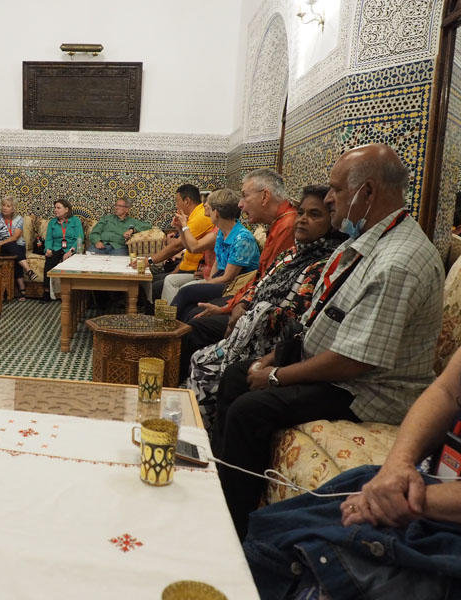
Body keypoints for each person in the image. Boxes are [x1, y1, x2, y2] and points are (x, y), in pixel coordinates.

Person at [212, 144, 444, 539]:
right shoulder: (368, 243)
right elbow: (320, 320)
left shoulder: (399, 261)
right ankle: (220, 492)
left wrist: (275, 377)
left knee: (250, 409)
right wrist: (271, 358)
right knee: (236, 375)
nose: (331, 198)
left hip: (365, 390)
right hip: (337, 366)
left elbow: (354, 362)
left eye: (337, 189)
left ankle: (233, 531)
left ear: (367, 193)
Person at [243, 346, 461, 599]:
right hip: (428, 486)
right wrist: (396, 466)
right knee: (276, 528)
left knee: (320, 557)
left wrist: (405, 500)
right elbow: (446, 390)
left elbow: (352, 360)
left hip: (442, 523)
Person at [187, 186, 344, 431]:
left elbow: (298, 317)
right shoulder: (291, 255)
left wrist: (245, 314)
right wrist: (240, 304)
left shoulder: (326, 265)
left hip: (271, 340)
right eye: (301, 212)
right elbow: (260, 281)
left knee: (196, 323)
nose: (302, 219)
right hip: (249, 320)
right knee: (196, 332)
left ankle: (205, 435)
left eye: (314, 215)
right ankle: (193, 423)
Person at [176, 169, 297, 371]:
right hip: (245, 297)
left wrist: (235, 307)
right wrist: (229, 306)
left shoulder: (288, 225)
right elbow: (263, 278)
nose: (240, 204)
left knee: (195, 318)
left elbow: (269, 285)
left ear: (265, 196)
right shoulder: (276, 225)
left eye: (244, 195)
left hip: (264, 314)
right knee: (193, 310)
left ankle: (181, 379)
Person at [166, 188, 259, 305]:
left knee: (186, 291)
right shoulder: (222, 232)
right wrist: (209, 280)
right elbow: (217, 263)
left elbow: (228, 278)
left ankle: (169, 320)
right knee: (187, 303)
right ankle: (171, 319)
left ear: (216, 213)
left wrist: (205, 283)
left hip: (236, 286)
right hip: (221, 280)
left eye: (208, 205)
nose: (204, 205)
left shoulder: (242, 238)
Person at [145, 184, 215, 300]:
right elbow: (186, 249)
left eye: (177, 202)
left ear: (187, 201)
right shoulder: (193, 216)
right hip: (186, 267)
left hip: (194, 271)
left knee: (154, 287)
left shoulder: (201, 217)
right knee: (151, 280)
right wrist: (179, 227)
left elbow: (177, 246)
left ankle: (156, 316)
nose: (176, 205)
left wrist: (149, 261)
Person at [0, 195, 37, 300]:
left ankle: (22, 290)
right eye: (3, 205)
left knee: (15, 254)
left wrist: (0, 242)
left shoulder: (19, 219)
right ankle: (28, 273)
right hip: (1, 248)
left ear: (13, 208)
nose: (4, 208)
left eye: (8, 206)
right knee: (12, 248)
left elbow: (15, 237)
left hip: (16, 245)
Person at [42, 198, 84, 302]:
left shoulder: (75, 221)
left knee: (71, 263)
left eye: (58, 208)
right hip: (56, 248)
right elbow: (49, 238)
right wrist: (48, 249)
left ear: (66, 209)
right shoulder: (52, 222)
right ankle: (46, 292)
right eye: (55, 208)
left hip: (70, 248)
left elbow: (80, 237)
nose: (55, 210)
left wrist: (71, 251)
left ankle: (70, 294)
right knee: (49, 262)